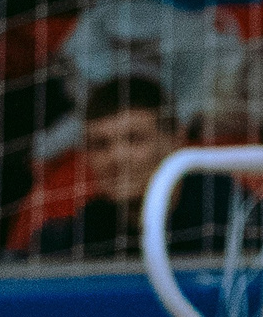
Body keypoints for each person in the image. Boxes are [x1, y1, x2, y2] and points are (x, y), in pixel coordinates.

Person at [33, 77, 241, 261]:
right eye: (100, 144)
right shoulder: (73, 240)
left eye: (135, 139)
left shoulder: (237, 220)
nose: (116, 158)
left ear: (176, 139)